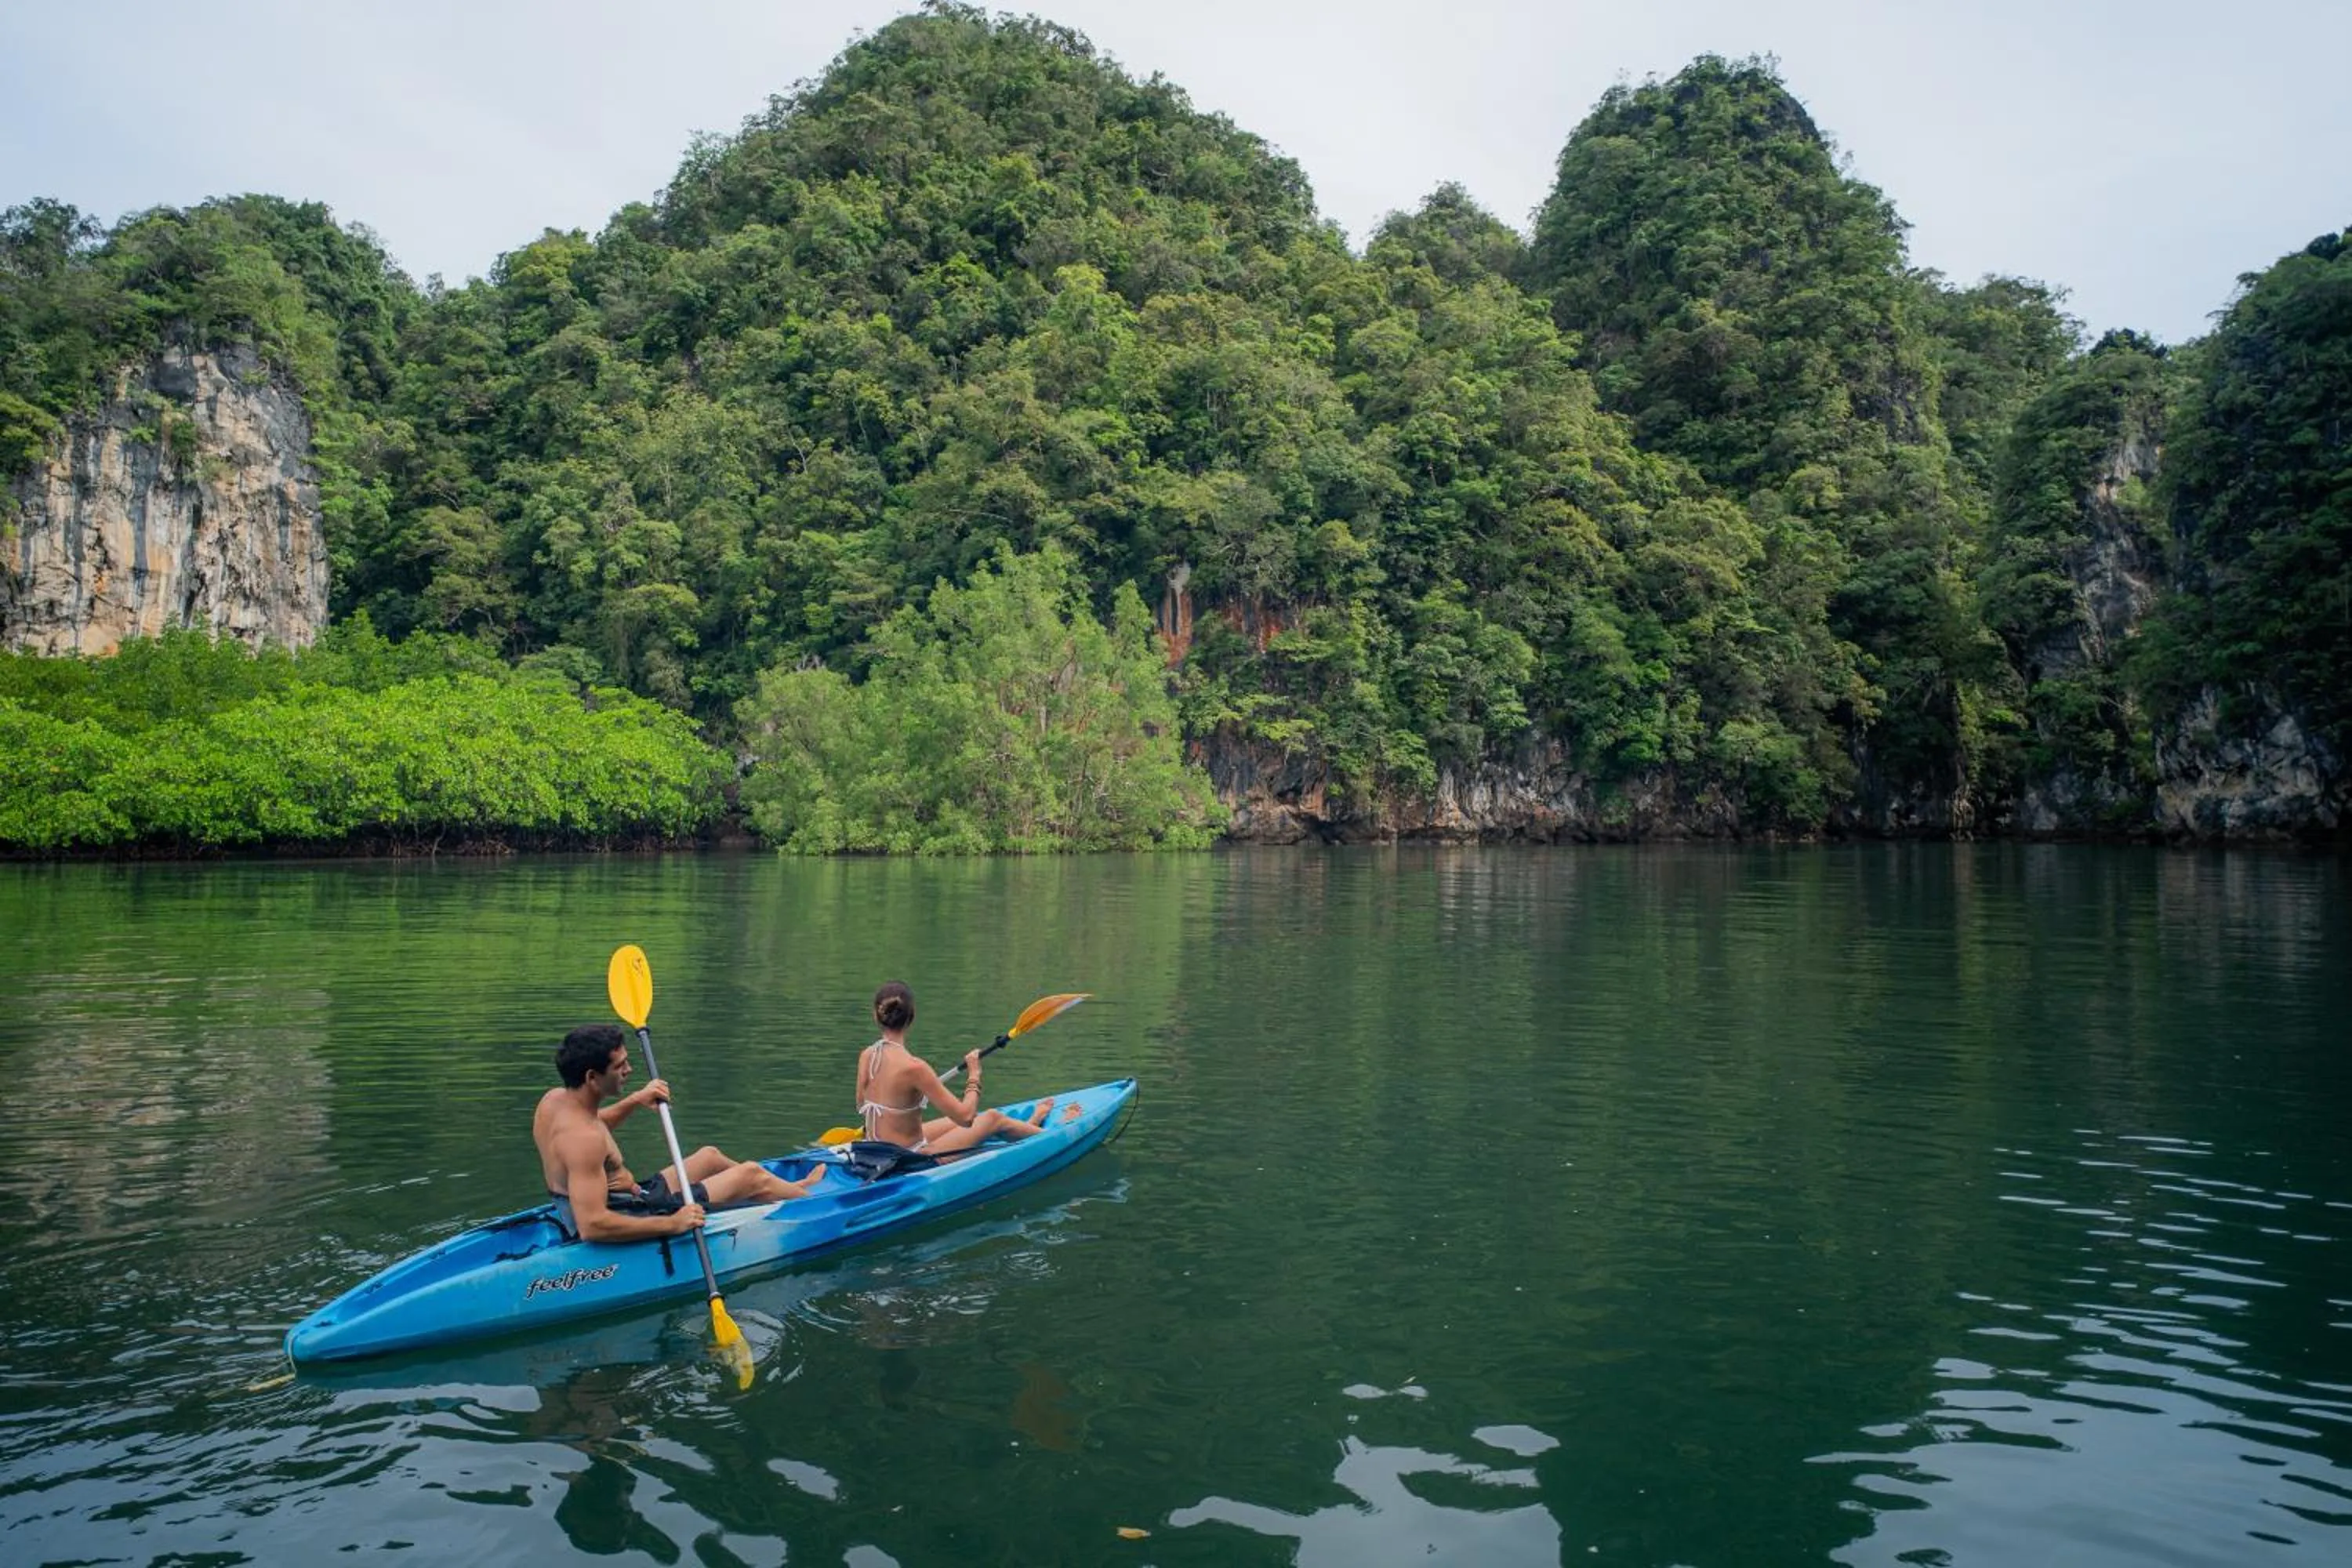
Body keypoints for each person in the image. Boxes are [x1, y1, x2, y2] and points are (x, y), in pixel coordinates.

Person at [535, 1023, 822, 1241]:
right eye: (620, 1065)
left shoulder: (555, 1102)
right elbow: (592, 1226)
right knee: (750, 1174)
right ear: (592, 1077)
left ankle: (791, 1191)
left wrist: (635, 1100)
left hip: (633, 1197)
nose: (630, 1070)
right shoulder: (585, 1141)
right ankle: (820, 1209)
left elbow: (594, 1123)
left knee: (709, 1156)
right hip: (629, 1213)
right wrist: (674, 1224)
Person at [852, 981, 1058, 1155]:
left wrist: (901, 1107)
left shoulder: (866, 1055)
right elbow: (966, 1117)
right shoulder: (915, 1068)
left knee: (961, 1123)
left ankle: (1030, 1125)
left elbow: (862, 1104)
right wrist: (974, 1074)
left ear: (875, 1015)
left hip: (875, 1150)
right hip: (907, 1159)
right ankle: (1054, 1136)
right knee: (991, 1118)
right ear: (911, 1017)